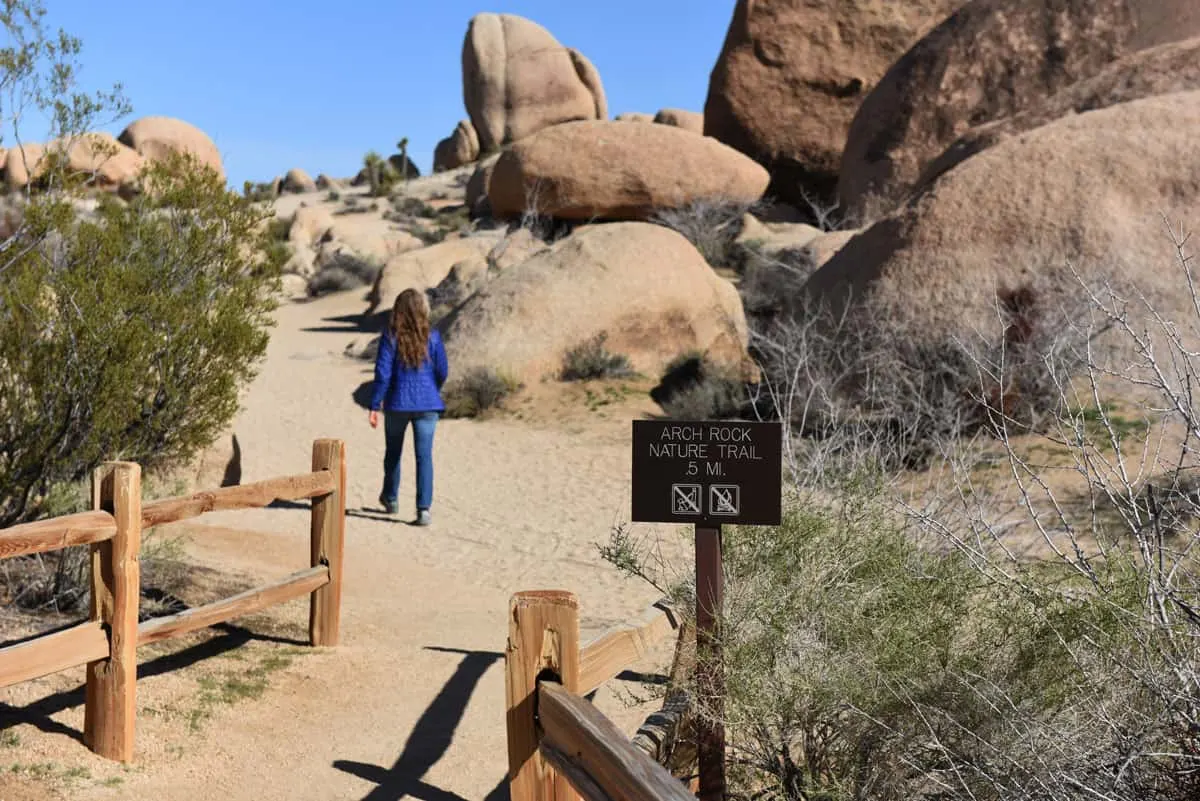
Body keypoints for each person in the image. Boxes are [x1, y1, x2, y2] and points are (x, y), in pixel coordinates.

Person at [368, 288, 448, 525]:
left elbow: (383, 373)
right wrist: (432, 389)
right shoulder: (432, 336)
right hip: (428, 405)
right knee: (424, 457)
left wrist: (375, 404)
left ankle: (391, 499)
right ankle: (423, 509)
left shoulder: (391, 336)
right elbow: (442, 370)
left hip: (397, 404)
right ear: (422, 309)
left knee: (393, 453)